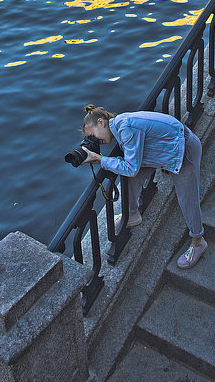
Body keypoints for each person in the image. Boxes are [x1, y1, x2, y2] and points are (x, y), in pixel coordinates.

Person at [81, 104, 207, 269]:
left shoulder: (125, 127)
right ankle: (132, 213)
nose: (95, 141)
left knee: (187, 199)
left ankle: (198, 241)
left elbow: (131, 168)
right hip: (163, 148)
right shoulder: (120, 125)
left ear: (101, 122)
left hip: (183, 151)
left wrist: (100, 160)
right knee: (131, 179)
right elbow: (132, 167)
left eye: (93, 135)